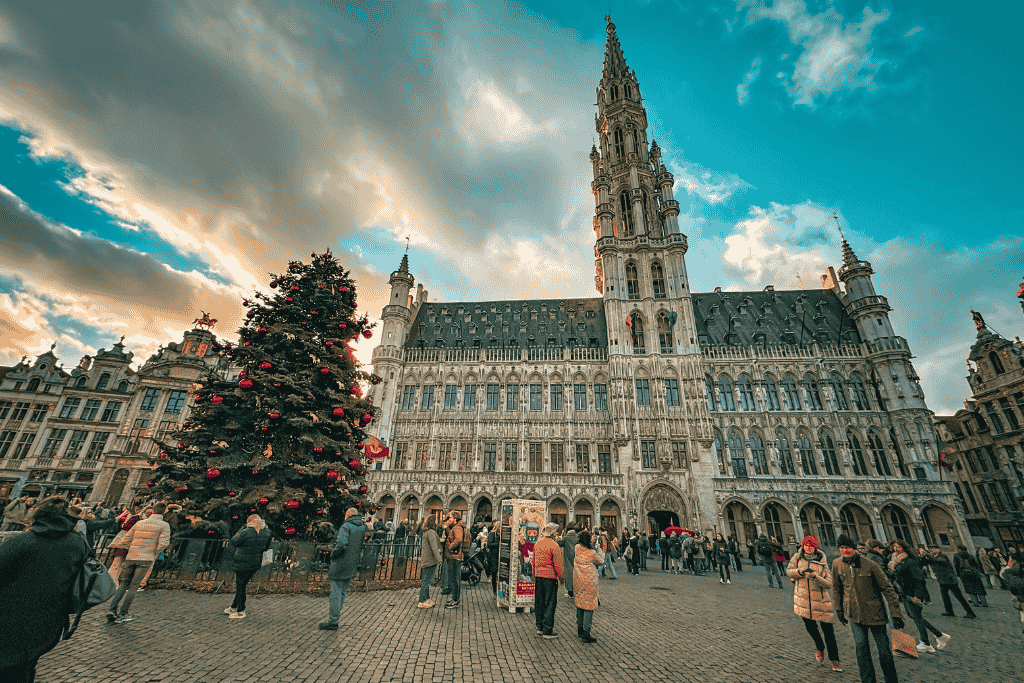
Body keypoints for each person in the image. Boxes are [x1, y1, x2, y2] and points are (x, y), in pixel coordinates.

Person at [0, 496, 91, 683]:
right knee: (26, 666)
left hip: (9, 618)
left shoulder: (20, 542)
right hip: (49, 620)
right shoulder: (78, 543)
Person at [832, 534, 905, 683]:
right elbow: (836, 588)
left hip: (875, 613)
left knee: (884, 651)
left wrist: (896, 614)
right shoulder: (837, 564)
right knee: (861, 649)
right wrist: (839, 609)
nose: (845, 550)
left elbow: (888, 589)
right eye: (842, 548)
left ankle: (891, 680)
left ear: (854, 549)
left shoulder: (870, 564)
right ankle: (867, 680)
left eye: (848, 547)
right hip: (854, 614)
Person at [107, 501, 171, 624]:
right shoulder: (164, 525)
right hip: (146, 558)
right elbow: (164, 543)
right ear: (164, 511)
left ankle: (112, 609)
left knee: (124, 584)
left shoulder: (140, 523)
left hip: (132, 556)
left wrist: (132, 549)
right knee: (134, 586)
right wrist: (154, 552)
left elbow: (125, 539)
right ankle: (123, 613)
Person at [787, 535, 841, 672]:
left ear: (815, 548)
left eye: (811, 546)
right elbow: (789, 571)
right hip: (803, 600)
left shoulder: (822, 561)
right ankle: (819, 647)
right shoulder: (797, 557)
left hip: (821, 601)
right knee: (811, 628)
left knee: (828, 632)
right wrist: (800, 572)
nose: (808, 548)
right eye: (806, 546)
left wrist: (815, 577)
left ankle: (835, 660)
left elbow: (829, 583)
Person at [889, 540, 949, 654]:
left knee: (916, 617)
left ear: (905, 547)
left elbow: (918, 579)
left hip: (912, 592)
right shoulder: (898, 560)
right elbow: (896, 575)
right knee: (914, 616)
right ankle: (939, 635)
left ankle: (926, 643)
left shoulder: (911, 560)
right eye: (895, 547)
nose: (896, 549)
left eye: (898, 547)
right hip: (904, 591)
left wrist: (917, 595)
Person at [319, 507, 366, 630]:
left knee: (335, 592)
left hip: (341, 563)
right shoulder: (361, 527)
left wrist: (333, 554)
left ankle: (333, 621)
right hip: (352, 563)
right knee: (343, 591)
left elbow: (341, 544)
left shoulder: (346, 526)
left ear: (348, 515)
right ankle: (335, 618)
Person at [224, 514, 272, 619]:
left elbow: (234, 541)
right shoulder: (267, 533)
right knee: (242, 585)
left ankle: (241, 611)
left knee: (241, 586)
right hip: (255, 564)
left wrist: (241, 528)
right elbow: (266, 547)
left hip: (242, 563)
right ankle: (233, 607)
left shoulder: (245, 532)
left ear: (249, 521)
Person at [533, 522, 565, 638]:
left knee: (539, 601)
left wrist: (535, 572)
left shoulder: (537, 543)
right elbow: (558, 565)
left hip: (538, 576)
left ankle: (540, 627)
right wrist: (562, 577)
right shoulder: (554, 545)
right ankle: (547, 630)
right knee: (550, 603)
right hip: (550, 577)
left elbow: (534, 560)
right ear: (552, 533)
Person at [573, 530, 602, 643]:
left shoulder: (577, 548)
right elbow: (601, 561)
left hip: (578, 580)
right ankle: (586, 633)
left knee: (580, 604)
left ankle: (580, 630)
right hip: (589, 582)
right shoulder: (592, 553)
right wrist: (597, 548)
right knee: (589, 607)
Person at [442, 510, 466, 609]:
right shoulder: (456, 527)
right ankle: (454, 598)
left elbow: (459, 539)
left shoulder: (457, 528)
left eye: (451, 517)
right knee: (453, 578)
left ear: (455, 518)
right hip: (453, 556)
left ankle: (455, 600)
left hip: (454, 556)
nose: (449, 519)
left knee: (454, 578)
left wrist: (450, 547)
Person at [417, 516, 442, 608]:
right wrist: (439, 559)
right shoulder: (431, 532)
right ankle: (422, 600)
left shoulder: (426, 532)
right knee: (426, 580)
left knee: (426, 580)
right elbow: (434, 547)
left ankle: (426, 598)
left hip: (427, 559)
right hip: (429, 560)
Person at [952, 545, 987, 609]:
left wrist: (958, 574)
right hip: (974, 573)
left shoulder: (956, 556)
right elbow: (976, 565)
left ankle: (975, 602)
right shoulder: (970, 555)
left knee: (970, 588)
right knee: (979, 588)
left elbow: (956, 565)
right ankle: (984, 602)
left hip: (964, 573)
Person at [487, 520, 501, 596]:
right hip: (493, 556)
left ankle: (500, 589)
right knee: (494, 573)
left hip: (500, 556)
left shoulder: (503, 534)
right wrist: (498, 544)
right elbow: (489, 544)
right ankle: (495, 590)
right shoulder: (492, 534)